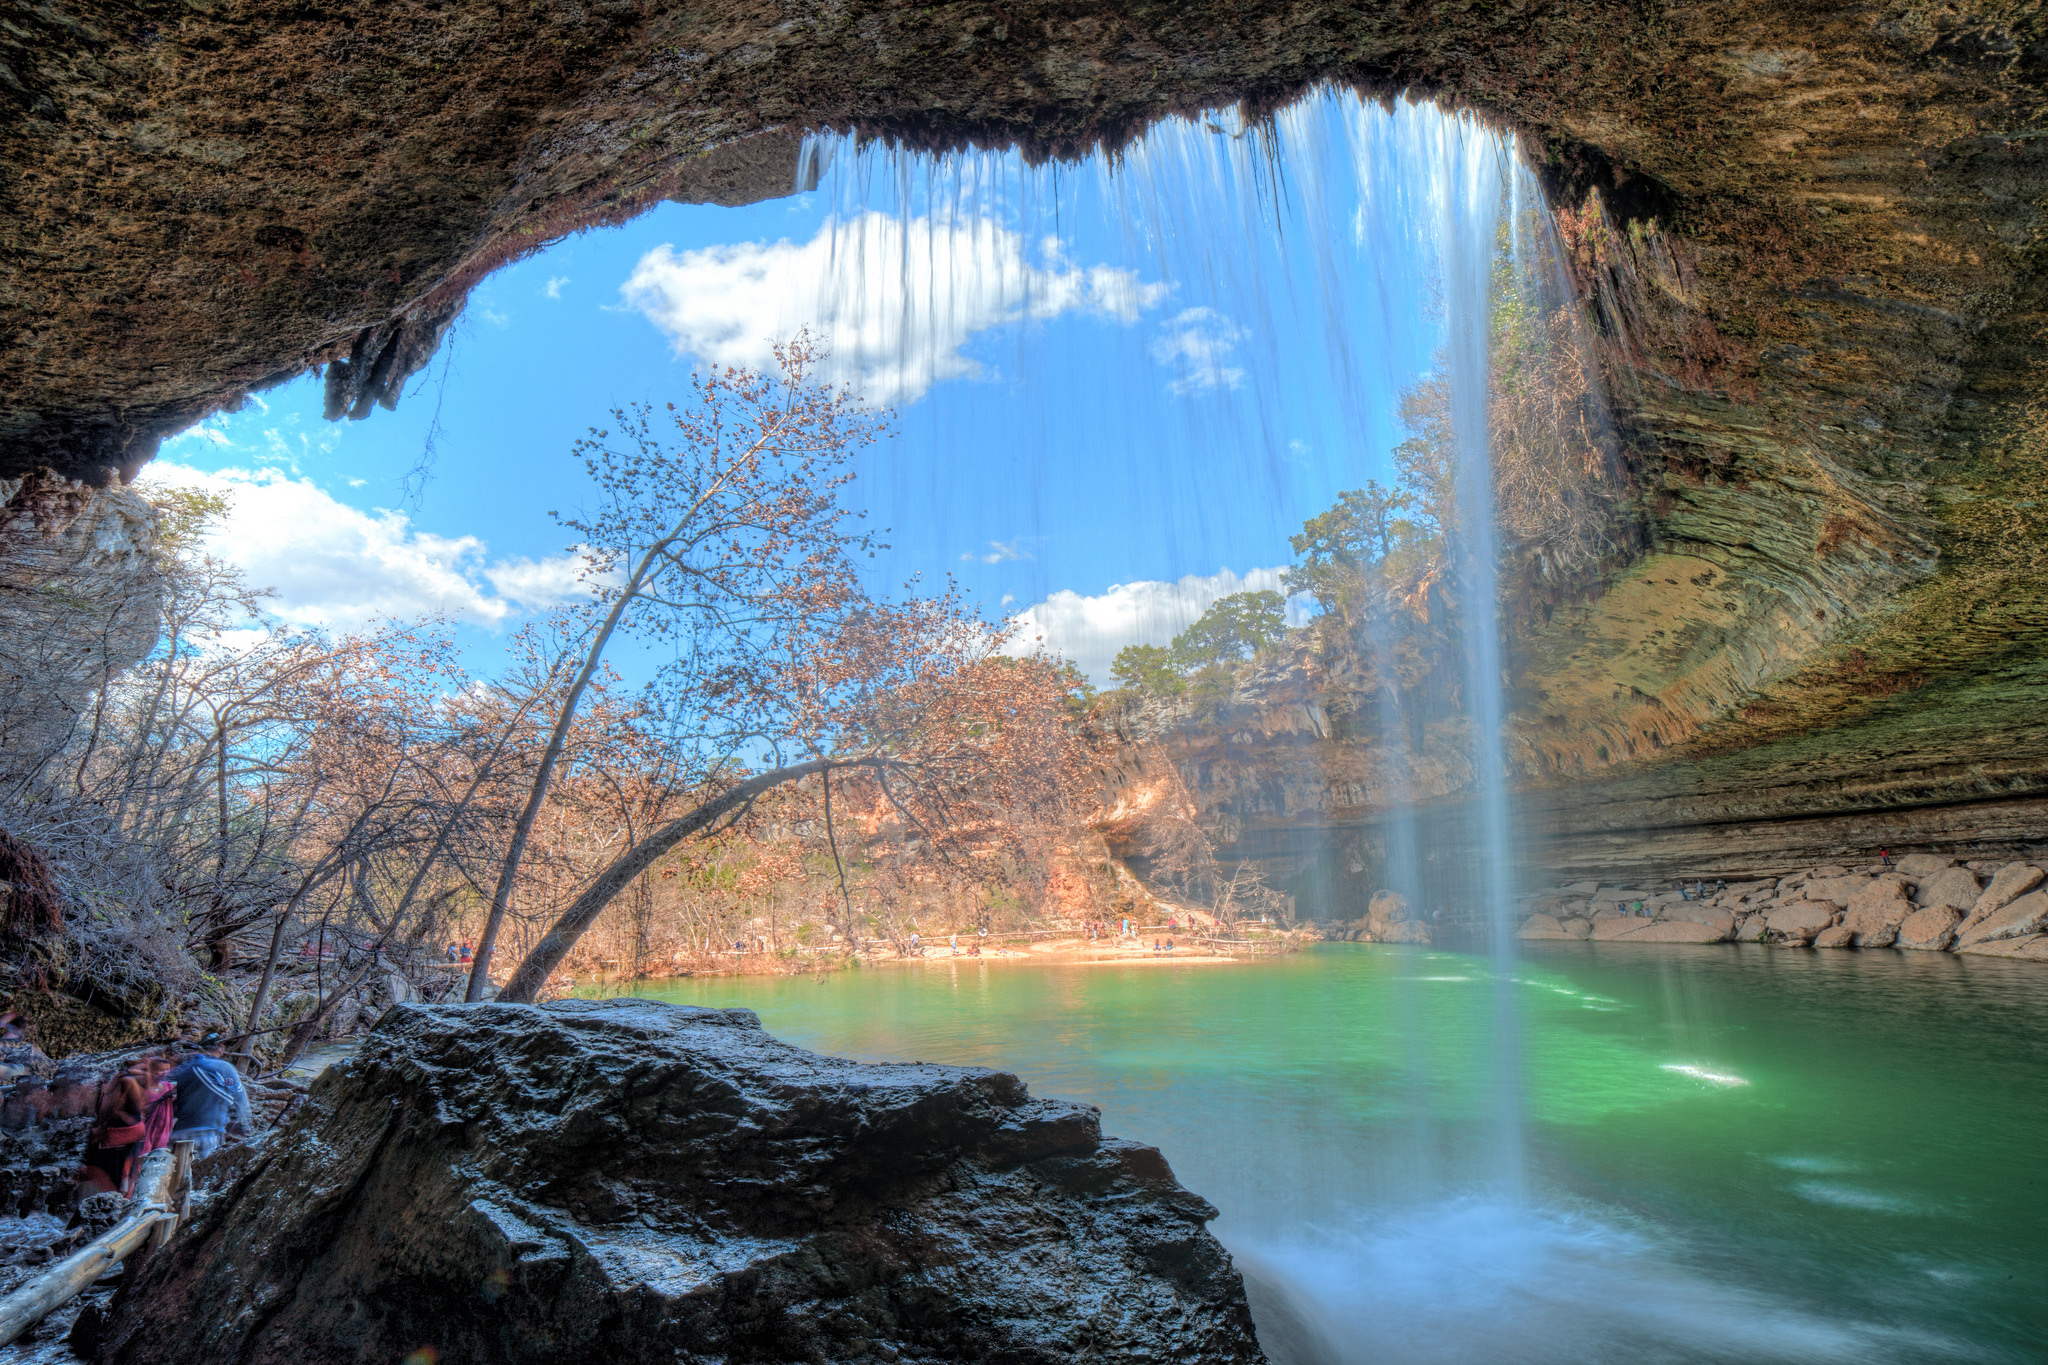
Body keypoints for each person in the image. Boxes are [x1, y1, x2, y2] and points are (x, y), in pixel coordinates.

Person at [79, 1054, 175, 1195]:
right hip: (127, 1131)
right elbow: (124, 1108)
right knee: (124, 1167)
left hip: (125, 1132)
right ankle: (121, 1195)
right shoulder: (129, 1081)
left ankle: (118, 1194)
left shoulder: (124, 1079)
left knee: (121, 1167)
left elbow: (114, 1108)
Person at [168, 1033, 252, 1160]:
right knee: (194, 1174)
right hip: (206, 1133)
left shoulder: (184, 1069)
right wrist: (244, 1128)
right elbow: (238, 1100)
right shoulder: (221, 1067)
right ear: (219, 1046)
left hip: (175, 1133)